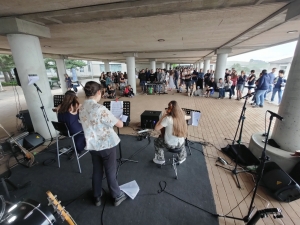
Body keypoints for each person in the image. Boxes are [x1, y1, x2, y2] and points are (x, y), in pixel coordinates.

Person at [79, 81, 127, 207]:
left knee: (97, 170)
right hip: (106, 145)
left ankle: (96, 196)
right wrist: (119, 119)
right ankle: (116, 196)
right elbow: (120, 125)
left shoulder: (82, 107)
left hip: (92, 145)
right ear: (98, 92)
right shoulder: (100, 108)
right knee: (110, 171)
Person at [153, 101, 187, 165]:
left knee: (156, 141)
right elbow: (188, 117)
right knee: (181, 140)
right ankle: (181, 158)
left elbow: (156, 128)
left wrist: (162, 117)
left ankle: (160, 159)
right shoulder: (182, 117)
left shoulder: (168, 119)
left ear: (169, 109)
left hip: (170, 145)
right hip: (180, 144)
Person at [57, 90, 85, 158]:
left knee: (76, 127)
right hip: (72, 130)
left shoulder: (60, 106)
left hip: (64, 131)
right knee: (85, 128)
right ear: (74, 97)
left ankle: (77, 147)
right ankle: (80, 148)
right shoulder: (75, 105)